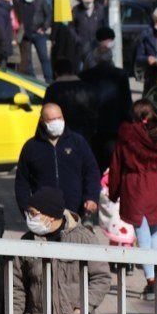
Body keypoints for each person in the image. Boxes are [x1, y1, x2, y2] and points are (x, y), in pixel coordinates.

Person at [109, 99, 157, 300]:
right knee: (154, 237)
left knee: (143, 238)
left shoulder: (125, 139)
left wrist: (113, 193)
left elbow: (115, 168)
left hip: (135, 191)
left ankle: (152, 281)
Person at [15, 103, 101, 218]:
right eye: (52, 119)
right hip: (44, 215)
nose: (57, 122)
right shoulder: (31, 147)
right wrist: (27, 209)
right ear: (42, 121)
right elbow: (22, 183)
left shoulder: (77, 142)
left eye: (59, 118)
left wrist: (91, 197)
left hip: (75, 212)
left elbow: (91, 171)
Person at [79, 41, 133, 171]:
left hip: (94, 125)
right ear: (110, 57)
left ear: (95, 58)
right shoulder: (120, 74)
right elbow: (126, 100)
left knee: (95, 159)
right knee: (112, 159)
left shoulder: (85, 76)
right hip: (114, 123)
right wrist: (128, 121)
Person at [43, 59, 98, 143]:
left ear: (56, 73)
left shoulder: (52, 90)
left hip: (62, 134)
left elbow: (46, 112)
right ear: (72, 71)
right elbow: (94, 112)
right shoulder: (86, 87)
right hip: (84, 132)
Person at [18, 0, 54, 83]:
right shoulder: (21, 1)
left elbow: (49, 14)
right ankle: (32, 80)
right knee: (27, 59)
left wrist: (44, 28)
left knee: (44, 57)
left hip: (38, 32)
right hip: (26, 33)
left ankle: (49, 80)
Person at [71, 0, 108, 71]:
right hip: (81, 46)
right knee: (80, 70)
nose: (88, 4)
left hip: (96, 45)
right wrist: (77, 39)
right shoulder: (76, 10)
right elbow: (71, 27)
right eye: (85, 2)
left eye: (89, 2)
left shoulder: (100, 9)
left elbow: (104, 26)